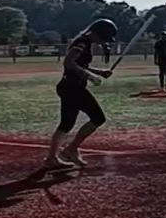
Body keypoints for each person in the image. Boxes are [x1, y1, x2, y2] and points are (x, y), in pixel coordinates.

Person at [44, 19, 117, 170]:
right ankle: (71, 149)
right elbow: (69, 63)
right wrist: (89, 76)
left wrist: (99, 72)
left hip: (68, 87)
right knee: (98, 118)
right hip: (73, 88)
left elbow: (82, 64)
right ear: (98, 33)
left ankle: (52, 158)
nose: (103, 42)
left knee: (66, 124)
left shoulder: (84, 42)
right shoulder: (82, 43)